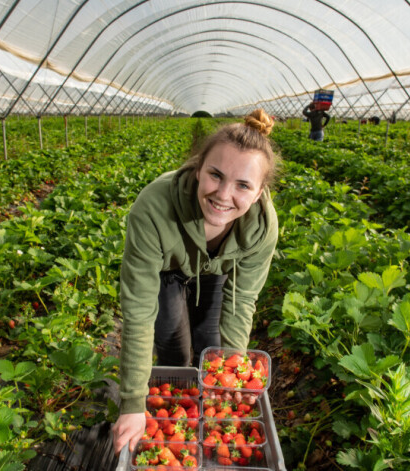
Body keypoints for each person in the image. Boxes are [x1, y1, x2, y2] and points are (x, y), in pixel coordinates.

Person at [112, 109, 280, 454]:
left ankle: (205, 430)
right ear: (197, 167)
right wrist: (132, 402)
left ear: (260, 191)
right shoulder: (154, 208)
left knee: (210, 348)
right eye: (215, 176)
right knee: (174, 350)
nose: (223, 194)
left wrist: (232, 360)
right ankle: (176, 427)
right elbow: (139, 310)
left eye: (243, 185)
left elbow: (241, 298)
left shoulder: (261, 226)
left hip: (216, 270)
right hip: (166, 271)